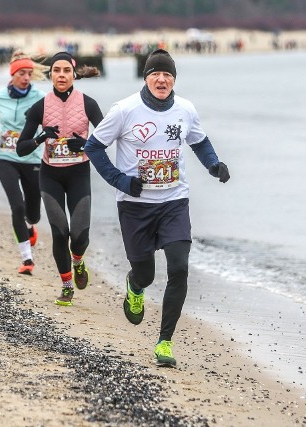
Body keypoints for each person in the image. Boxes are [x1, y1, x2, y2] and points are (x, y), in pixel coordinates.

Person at [84, 49, 231, 367]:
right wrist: (121, 181)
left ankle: (164, 342)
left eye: (167, 74)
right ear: (146, 76)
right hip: (135, 207)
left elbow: (199, 141)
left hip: (174, 202)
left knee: (179, 268)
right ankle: (134, 286)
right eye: (155, 73)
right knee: (146, 274)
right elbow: (93, 147)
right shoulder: (125, 110)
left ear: (174, 79)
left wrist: (213, 164)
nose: (161, 79)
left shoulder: (185, 109)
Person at [16, 51, 103, 306]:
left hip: (79, 174)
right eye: (56, 71)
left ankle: (78, 260)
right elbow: (21, 148)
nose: (61, 75)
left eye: (66, 70)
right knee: (59, 232)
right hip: (50, 174)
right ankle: (66, 286)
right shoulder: (40, 107)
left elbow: (107, 138)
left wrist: (85, 144)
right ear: (51, 75)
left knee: (79, 235)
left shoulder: (89, 104)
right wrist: (42, 137)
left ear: (74, 74)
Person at [0, 51, 47, 274]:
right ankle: (27, 259)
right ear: (13, 74)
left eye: (29, 73)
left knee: (33, 211)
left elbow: (50, 121)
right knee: (16, 206)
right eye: (22, 73)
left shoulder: (40, 97)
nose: (27, 77)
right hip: (5, 156)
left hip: (32, 158)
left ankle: (31, 225)